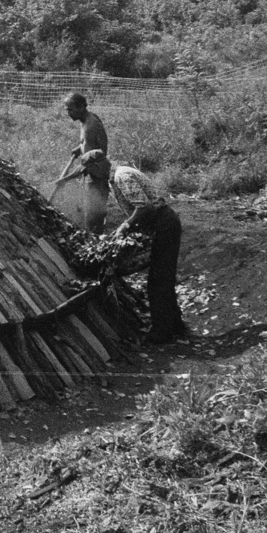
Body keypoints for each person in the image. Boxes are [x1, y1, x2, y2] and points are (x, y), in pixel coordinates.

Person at [93, 153, 187, 345]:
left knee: (158, 281)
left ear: (99, 166)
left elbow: (145, 208)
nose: (92, 177)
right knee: (162, 277)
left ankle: (162, 333)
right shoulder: (116, 178)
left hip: (164, 223)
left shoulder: (122, 176)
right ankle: (175, 325)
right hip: (160, 224)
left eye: (91, 172)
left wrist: (125, 226)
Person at [61, 92, 110, 233]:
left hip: (96, 176)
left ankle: (97, 243)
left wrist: (65, 179)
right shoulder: (86, 120)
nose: (68, 113)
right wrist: (80, 148)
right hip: (91, 172)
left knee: (93, 214)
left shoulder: (90, 125)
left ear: (81, 107)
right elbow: (91, 145)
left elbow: (87, 164)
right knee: (90, 212)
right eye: (67, 110)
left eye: (70, 109)